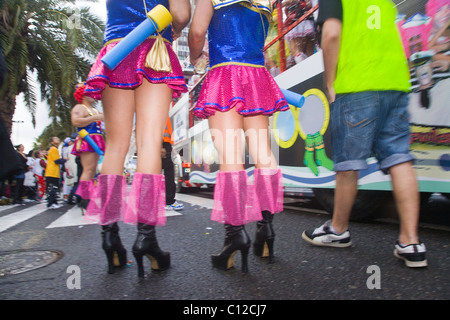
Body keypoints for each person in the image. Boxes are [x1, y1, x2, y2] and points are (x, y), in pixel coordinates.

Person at [301, 0, 427, 268]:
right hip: (395, 81)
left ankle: (338, 230)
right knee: (399, 158)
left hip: (358, 82)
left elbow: (332, 34)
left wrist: (330, 82)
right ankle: (411, 241)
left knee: (348, 163)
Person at [83, 0, 191, 276]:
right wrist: (176, 28)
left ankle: (110, 237)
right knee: (149, 144)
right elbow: (180, 14)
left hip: (117, 48)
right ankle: (146, 238)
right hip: (155, 47)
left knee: (116, 146)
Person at [189, 0, 288, 273]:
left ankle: (235, 236)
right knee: (264, 154)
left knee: (231, 156)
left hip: (224, 74)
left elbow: (197, 33)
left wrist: (194, 54)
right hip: (256, 75)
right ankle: (265, 230)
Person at [71, 83, 105, 210]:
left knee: (92, 170)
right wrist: (96, 117)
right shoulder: (80, 107)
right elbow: (76, 121)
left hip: (97, 139)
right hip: (88, 139)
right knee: (88, 170)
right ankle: (85, 199)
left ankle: (89, 197)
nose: (92, 95)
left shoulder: (94, 109)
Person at [162, 118, 183, 211]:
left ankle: (150, 202)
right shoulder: (160, 105)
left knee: (157, 173)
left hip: (163, 143)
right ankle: (169, 202)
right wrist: (162, 146)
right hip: (163, 143)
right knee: (169, 175)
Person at [45, 137, 65, 209]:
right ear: (52, 142)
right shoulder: (54, 149)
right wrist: (65, 160)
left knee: (54, 188)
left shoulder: (53, 149)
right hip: (52, 172)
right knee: (52, 188)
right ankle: (51, 203)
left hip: (53, 172)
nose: (58, 139)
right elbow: (57, 161)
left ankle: (54, 202)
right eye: (56, 139)